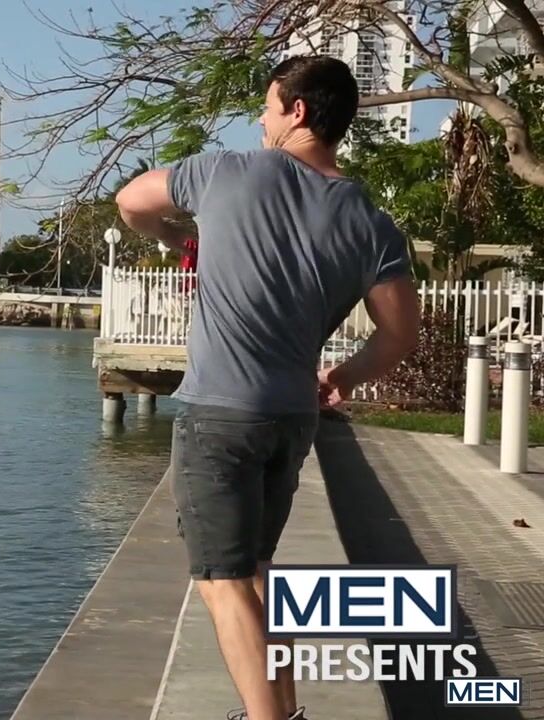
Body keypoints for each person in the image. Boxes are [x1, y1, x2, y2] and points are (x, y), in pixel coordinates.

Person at [115, 55, 420, 720]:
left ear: (297, 110)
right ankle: (286, 710)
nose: (260, 118)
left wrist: (173, 234)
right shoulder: (369, 221)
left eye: (267, 105)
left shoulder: (226, 172)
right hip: (292, 419)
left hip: (220, 416)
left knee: (222, 582)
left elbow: (131, 200)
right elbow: (400, 335)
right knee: (257, 575)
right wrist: (341, 376)